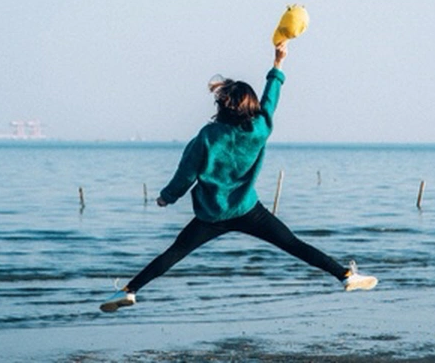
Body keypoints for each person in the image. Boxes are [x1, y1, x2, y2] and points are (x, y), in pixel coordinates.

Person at [99, 42, 377, 312]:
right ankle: (344, 276)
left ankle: (129, 291)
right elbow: (271, 99)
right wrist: (278, 62)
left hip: (212, 215)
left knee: (174, 253)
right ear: (250, 107)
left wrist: (167, 197)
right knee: (293, 244)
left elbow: (186, 173)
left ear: (222, 107)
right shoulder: (260, 129)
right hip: (248, 210)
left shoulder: (208, 136)